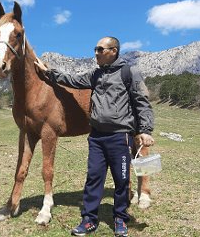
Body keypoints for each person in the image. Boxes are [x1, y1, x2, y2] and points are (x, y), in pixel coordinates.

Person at [34, 36, 155, 237]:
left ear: (113, 51)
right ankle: (89, 220)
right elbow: (71, 80)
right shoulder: (96, 74)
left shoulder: (128, 72)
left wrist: (145, 130)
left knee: (122, 180)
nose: (96, 53)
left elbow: (142, 102)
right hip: (97, 137)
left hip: (120, 136)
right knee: (93, 180)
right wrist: (48, 71)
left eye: (100, 49)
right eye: (95, 49)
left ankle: (120, 220)